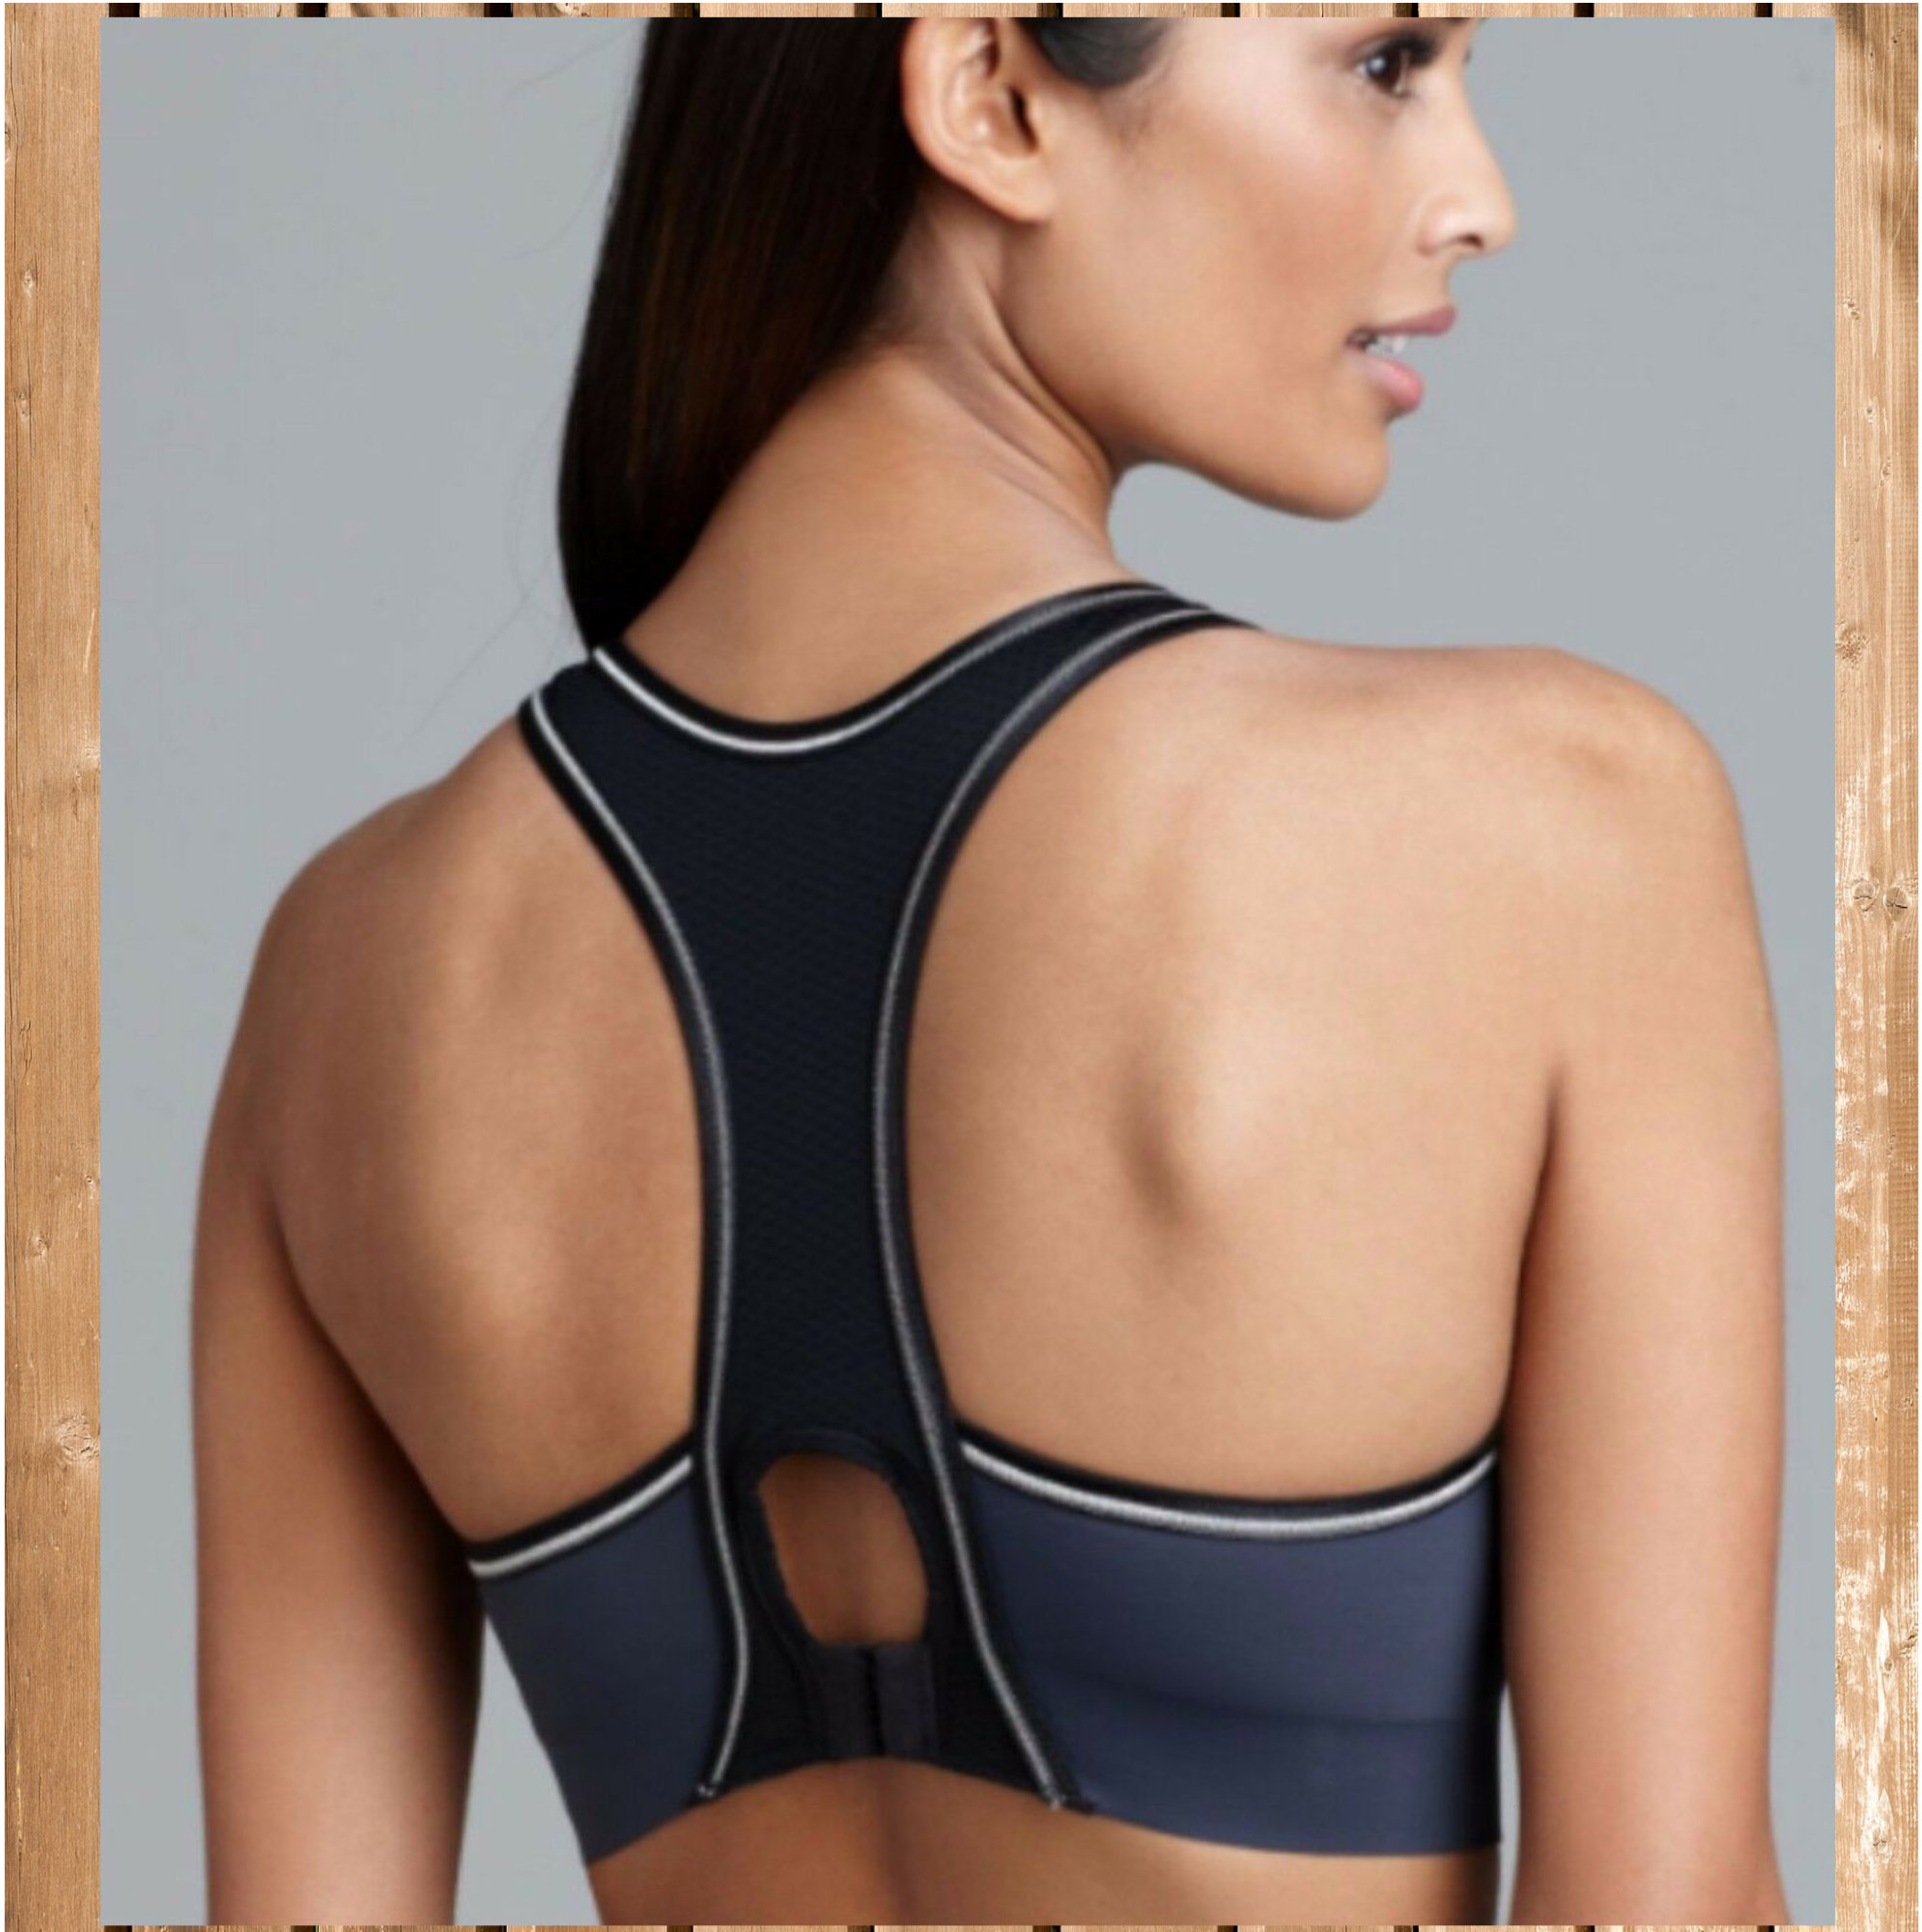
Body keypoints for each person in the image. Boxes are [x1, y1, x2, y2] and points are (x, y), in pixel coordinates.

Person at [192, 15, 1793, 1926]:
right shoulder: (1554, 826)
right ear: (992, 99)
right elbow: (1670, 1898)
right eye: (1384, 61)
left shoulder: (345, 977)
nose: (1479, 199)